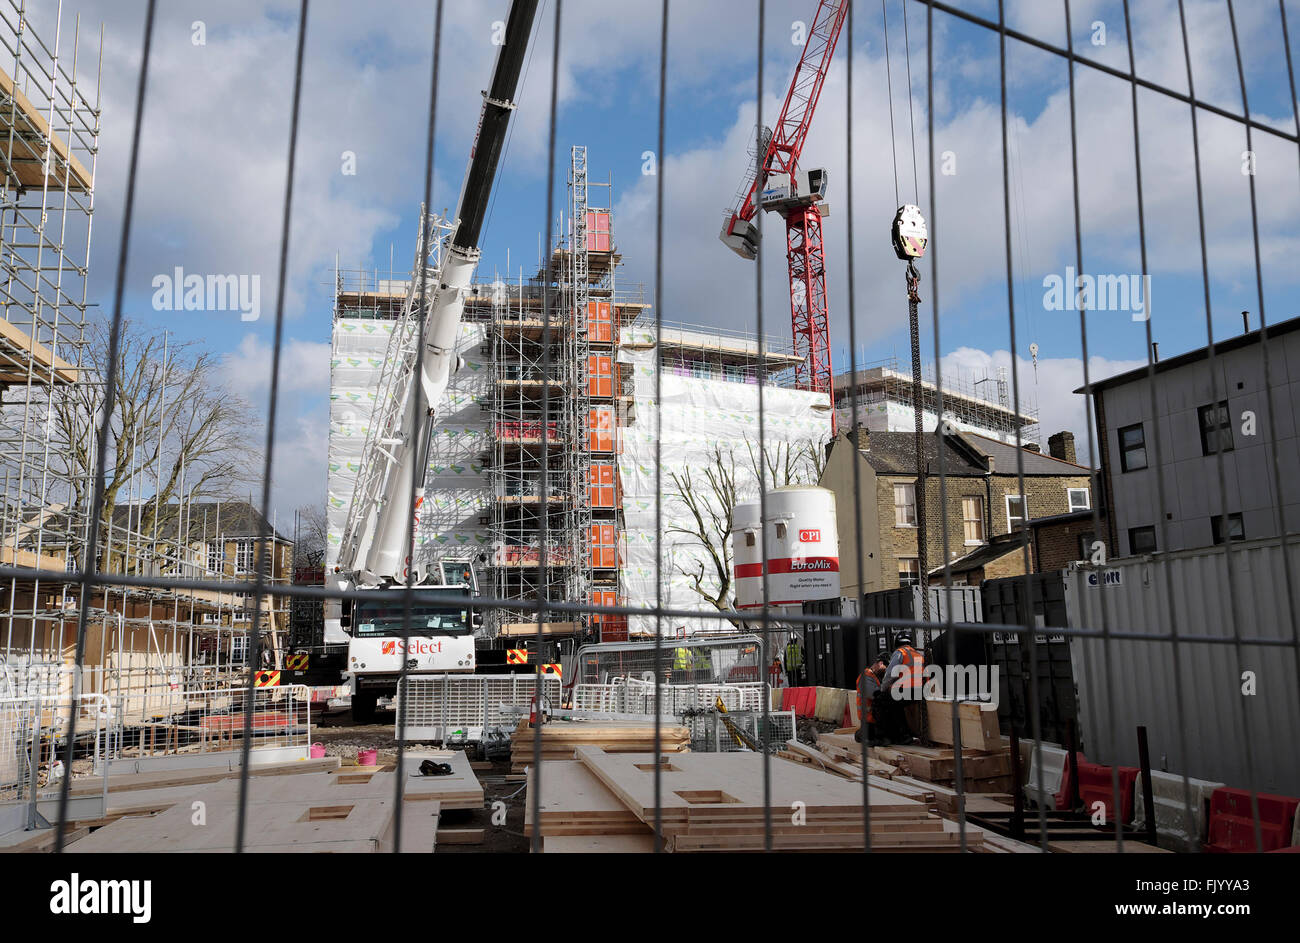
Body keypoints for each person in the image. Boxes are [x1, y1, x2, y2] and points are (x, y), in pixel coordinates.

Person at [877, 632, 925, 743]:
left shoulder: (900, 653)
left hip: (905, 690)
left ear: (897, 643)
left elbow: (890, 674)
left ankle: (894, 736)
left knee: (881, 701)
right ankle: (904, 734)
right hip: (918, 692)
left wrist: (882, 689)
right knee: (896, 705)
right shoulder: (918, 654)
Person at [854, 655, 887, 744]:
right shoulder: (866, 676)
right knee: (871, 739)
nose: (886, 670)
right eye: (885, 667)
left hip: (873, 717)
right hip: (868, 718)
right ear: (880, 663)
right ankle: (860, 735)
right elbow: (873, 694)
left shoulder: (874, 676)